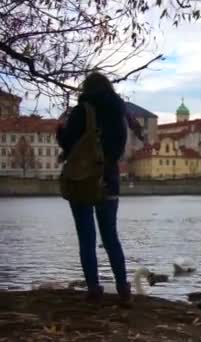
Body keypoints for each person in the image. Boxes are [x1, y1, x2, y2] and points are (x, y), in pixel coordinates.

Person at [56, 72, 141, 303]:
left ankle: (94, 289)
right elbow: (119, 147)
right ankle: (123, 288)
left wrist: (60, 132)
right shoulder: (119, 111)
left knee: (86, 236)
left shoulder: (83, 110)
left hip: (83, 178)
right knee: (110, 236)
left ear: (86, 88)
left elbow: (68, 142)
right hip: (109, 178)